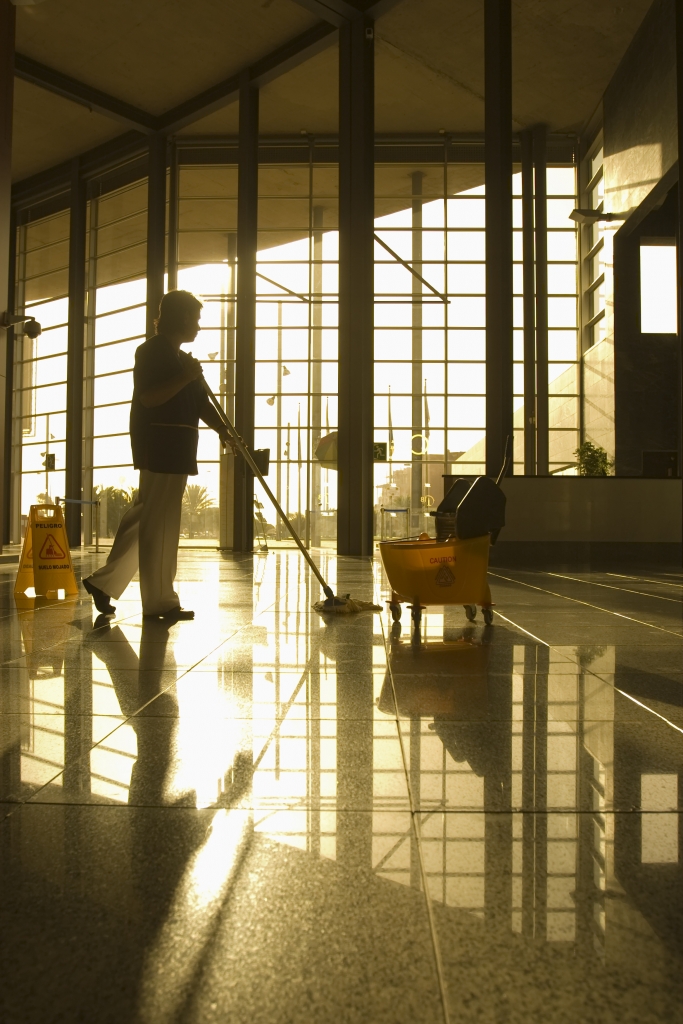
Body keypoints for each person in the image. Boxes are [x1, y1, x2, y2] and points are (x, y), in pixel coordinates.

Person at [82, 289, 232, 621]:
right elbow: (150, 397)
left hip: (176, 447)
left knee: (148, 517)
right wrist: (186, 376)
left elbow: (200, 404)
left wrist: (224, 429)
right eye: (195, 318)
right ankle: (160, 601)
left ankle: (104, 583)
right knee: (160, 525)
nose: (198, 326)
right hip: (162, 445)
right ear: (180, 318)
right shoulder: (151, 352)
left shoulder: (182, 359)